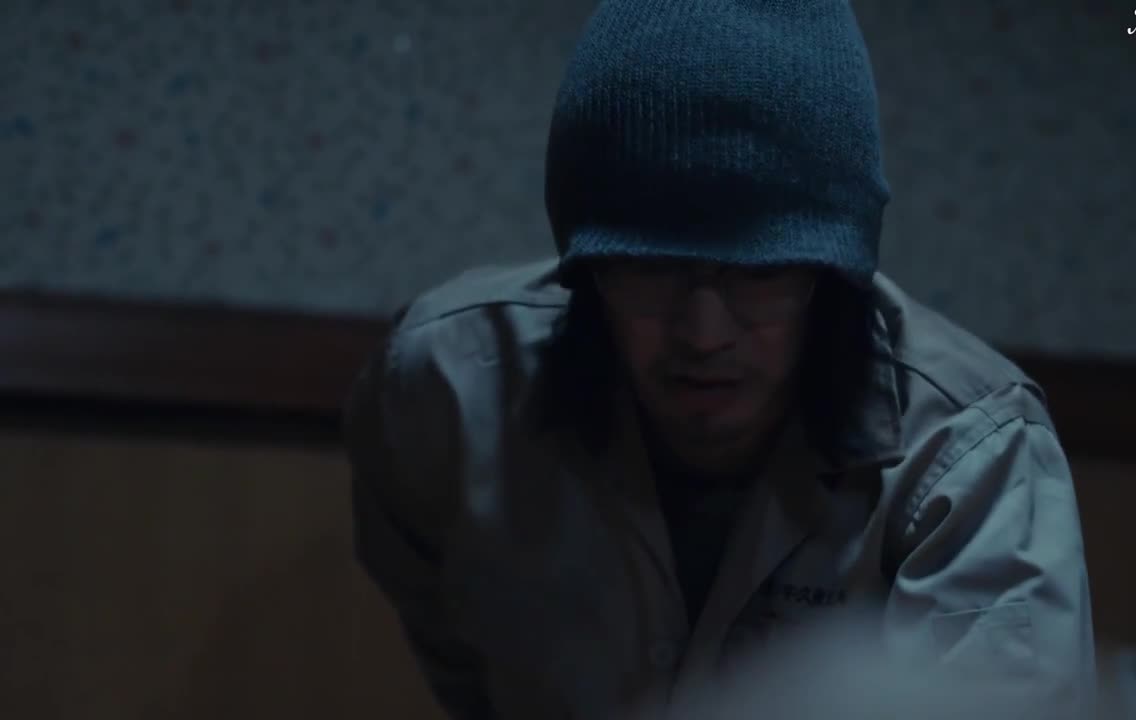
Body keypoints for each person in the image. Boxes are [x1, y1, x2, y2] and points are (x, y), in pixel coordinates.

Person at [344, 1, 1096, 717]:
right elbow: (453, 648)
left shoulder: (971, 455)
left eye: (762, 274)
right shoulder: (445, 390)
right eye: (650, 268)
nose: (703, 334)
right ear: (587, 270)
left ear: (831, 277)